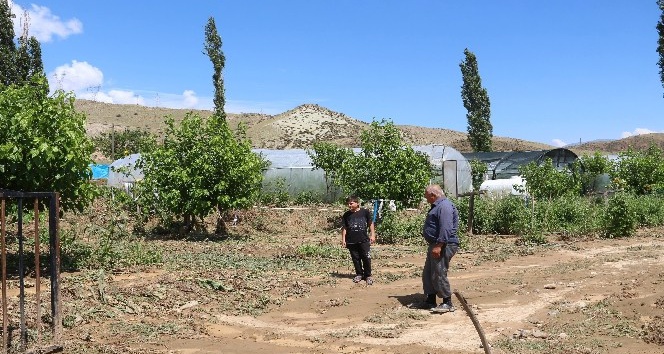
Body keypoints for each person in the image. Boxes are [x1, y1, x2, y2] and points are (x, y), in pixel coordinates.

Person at [416, 184, 459, 313]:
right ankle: (430, 300)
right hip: (436, 244)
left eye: (427, 196)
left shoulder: (444, 206)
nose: (426, 199)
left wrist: (439, 245)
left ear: (433, 195)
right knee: (429, 273)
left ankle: (447, 302)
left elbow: (446, 227)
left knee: (439, 273)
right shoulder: (438, 206)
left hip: (444, 245)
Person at [341, 195, 376, 285]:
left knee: (366, 257)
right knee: (355, 258)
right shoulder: (346, 215)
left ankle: (368, 275)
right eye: (348, 203)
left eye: (351, 203)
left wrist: (372, 235)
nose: (349, 205)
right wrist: (343, 240)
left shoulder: (365, 212)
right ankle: (359, 274)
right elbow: (344, 228)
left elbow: (370, 223)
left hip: (364, 240)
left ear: (357, 203)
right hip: (351, 241)